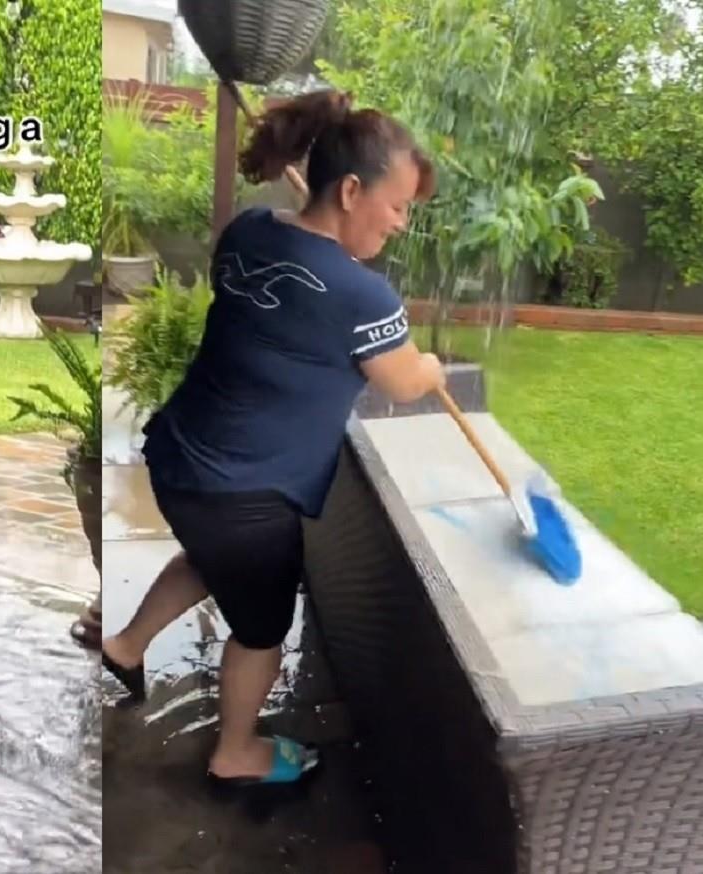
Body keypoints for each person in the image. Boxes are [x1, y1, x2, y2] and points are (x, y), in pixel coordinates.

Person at [101, 89, 446, 789]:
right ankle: (236, 754)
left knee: (209, 559)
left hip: (177, 462)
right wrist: (433, 361)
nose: (402, 224)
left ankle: (126, 645)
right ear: (351, 189)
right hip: (246, 499)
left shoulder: (248, 231)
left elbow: (303, 271)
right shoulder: (363, 298)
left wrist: (338, 251)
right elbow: (406, 383)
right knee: (260, 630)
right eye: (399, 206)